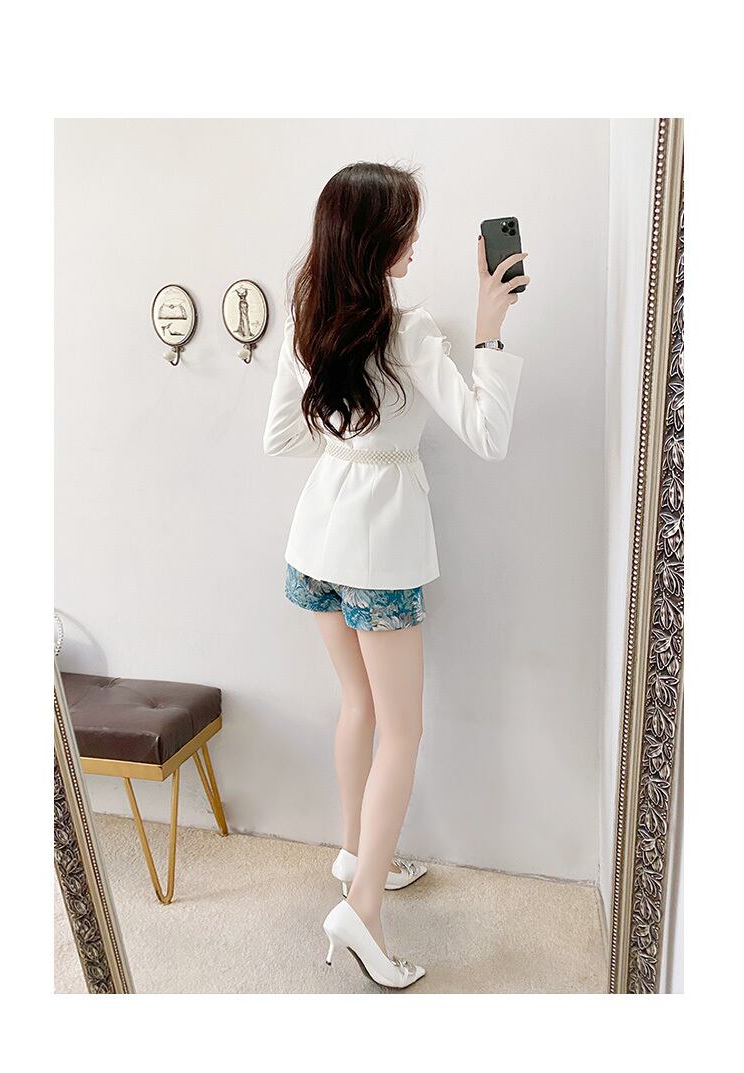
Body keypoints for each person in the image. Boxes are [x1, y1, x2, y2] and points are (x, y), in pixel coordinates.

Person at [262, 161, 528, 990]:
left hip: (315, 542)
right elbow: (487, 434)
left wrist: (350, 442)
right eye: (406, 225)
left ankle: (356, 853)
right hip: (377, 555)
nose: (416, 238)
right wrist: (489, 329)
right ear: (377, 239)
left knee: (358, 705)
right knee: (402, 730)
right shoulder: (408, 332)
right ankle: (364, 907)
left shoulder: (307, 318)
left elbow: (282, 436)